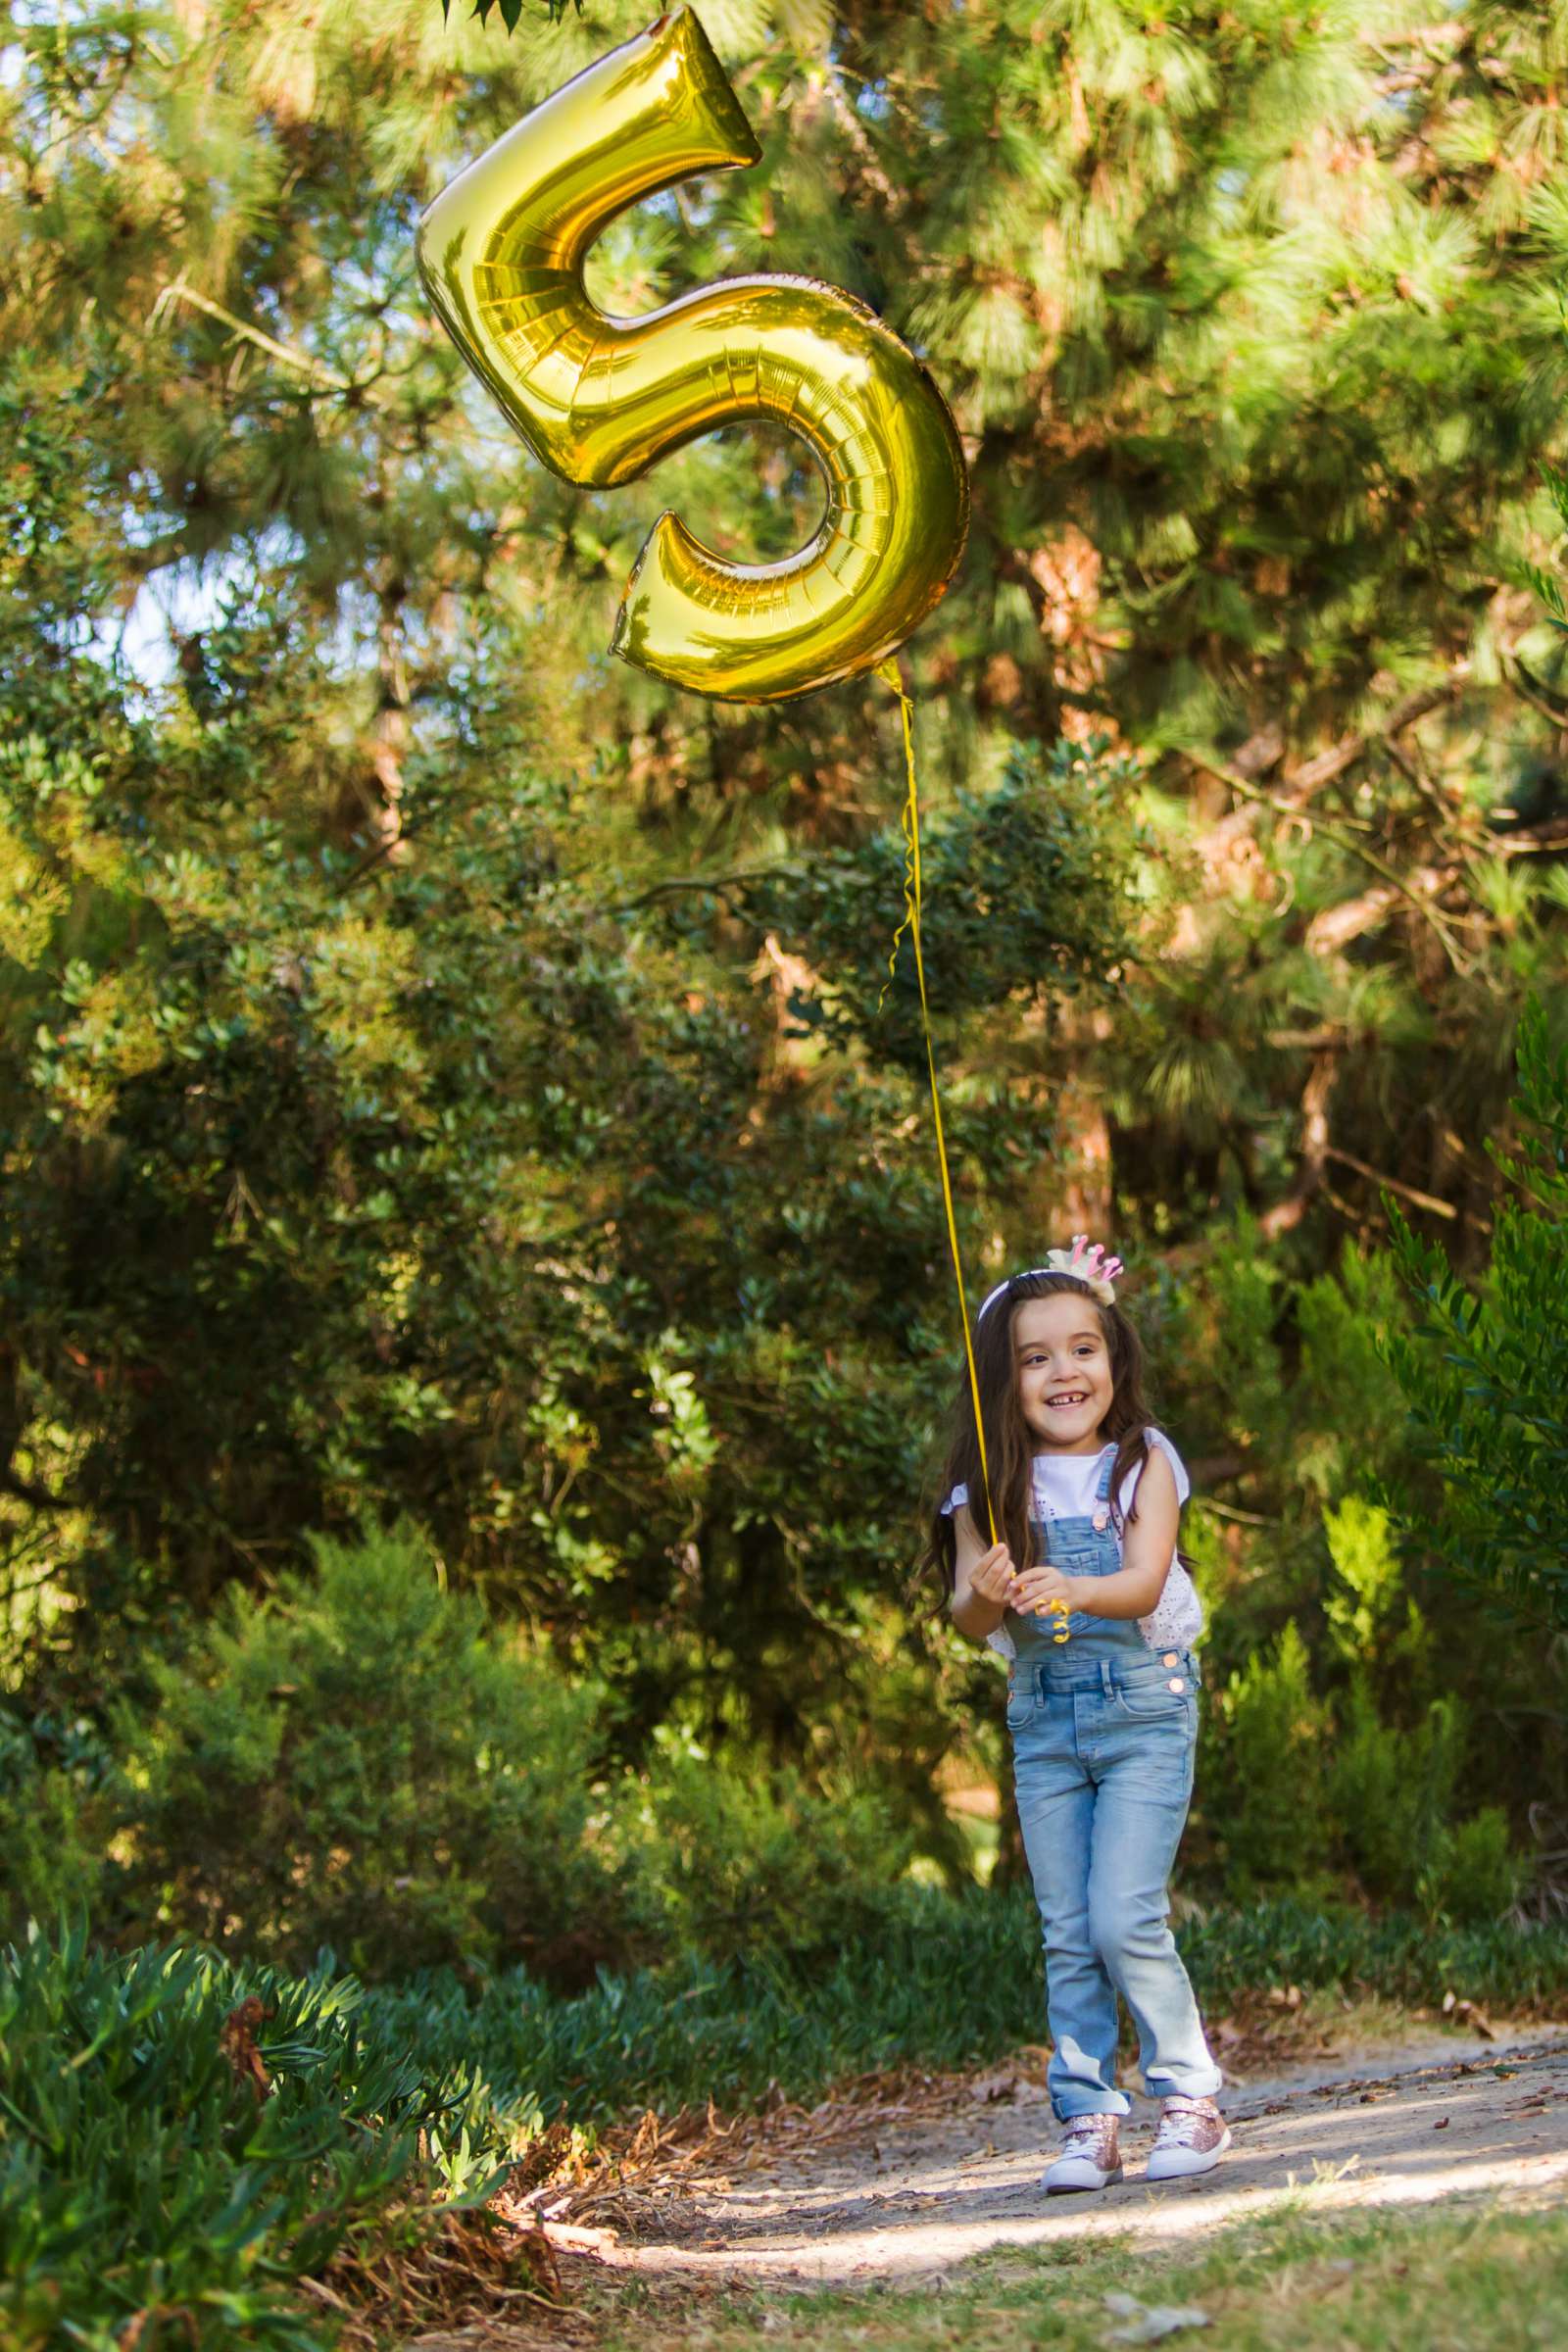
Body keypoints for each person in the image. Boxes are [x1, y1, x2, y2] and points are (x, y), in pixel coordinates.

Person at [930, 1237, 1229, 2194]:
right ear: (1002, 1379)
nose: (1064, 1371)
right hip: (1044, 1724)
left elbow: (1143, 1585)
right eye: (1035, 1357)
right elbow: (967, 1616)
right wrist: (982, 1590)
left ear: (1114, 1358)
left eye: (1082, 1349)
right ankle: (1089, 2119)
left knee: (1122, 1917)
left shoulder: (1145, 1462)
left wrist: (1074, 1587)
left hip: (1143, 1713)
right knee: (1065, 1928)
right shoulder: (986, 1484)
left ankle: (1189, 2100)